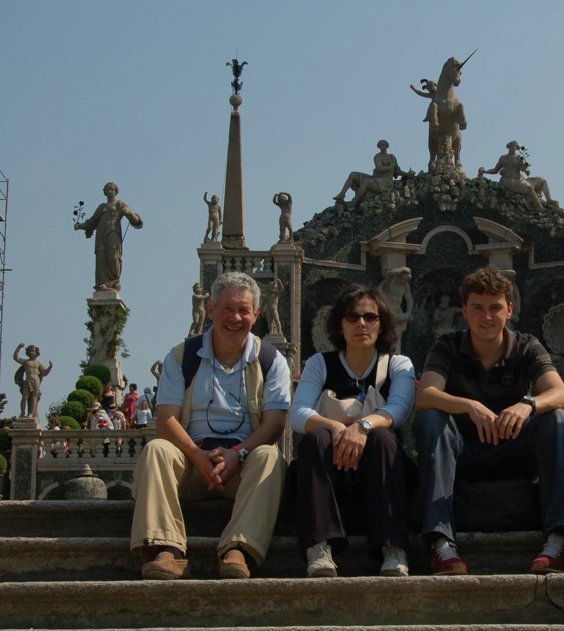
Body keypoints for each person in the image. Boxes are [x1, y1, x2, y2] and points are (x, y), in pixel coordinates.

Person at [415, 266, 564, 575]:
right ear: (465, 310)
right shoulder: (447, 345)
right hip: (463, 454)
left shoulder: (527, 345)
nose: (486, 317)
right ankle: (441, 545)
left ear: (509, 309)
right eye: (478, 308)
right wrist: (469, 405)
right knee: (432, 419)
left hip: (514, 451)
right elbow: (425, 395)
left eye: (495, 308)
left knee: (556, 419)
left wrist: (528, 404)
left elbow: (561, 394)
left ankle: (558, 541)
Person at [130, 271, 292, 580]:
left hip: (242, 466)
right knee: (157, 449)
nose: (235, 317)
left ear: (256, 314)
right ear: (210, 310)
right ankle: (168, 549)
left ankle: (239, 549)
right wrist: (196, 456)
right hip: (190, 465)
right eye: (227, 308)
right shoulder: (183, 356)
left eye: (244, 310)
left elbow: (274, 425)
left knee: (270, 457)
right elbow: (166, 420)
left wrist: (236, 455)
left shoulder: (271, 360)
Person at [290, 285, 415, 578]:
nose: (361, 324)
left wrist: (363, 426)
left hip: (381, 468)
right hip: (329, 469)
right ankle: (319, 547)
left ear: (382, 323)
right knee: (315, 437)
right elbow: (298, 414)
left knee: (385, 437)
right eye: (352, 317)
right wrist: (335, 427)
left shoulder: (398, 364)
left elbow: (399, 409)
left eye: (370, 316)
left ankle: (392, 546)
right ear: (340, 324)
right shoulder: (320, 364)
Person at [74, 181, 144, 292]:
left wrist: (129, 213)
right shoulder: (102, 207)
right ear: (104, 192)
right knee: (101, 257)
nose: (109, 191)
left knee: (113, 256)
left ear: (116, 191)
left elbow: (136, 221)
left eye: (111, 189)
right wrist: (80, 226)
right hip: (101, 234)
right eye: (107, 189)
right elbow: (92, 221)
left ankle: (114, 281)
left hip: (113, 232)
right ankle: (103, 282)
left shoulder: (120, 204)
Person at [478, 141, 556, 212]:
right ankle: (541, 209)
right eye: (514, 146)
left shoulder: (519, 157)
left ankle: (549, 199)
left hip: (521, 179)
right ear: (509, 147)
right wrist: (485, 171)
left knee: (542, 180)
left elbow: (527, 172)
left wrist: (525, 167)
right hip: (509, 181)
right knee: (529, 188)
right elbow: (495, 170)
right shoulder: (503, 158)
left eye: (516, 146)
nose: (515, 147)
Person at [333, 140, 407, 205]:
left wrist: (407, 174)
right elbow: (380, 168)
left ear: (387, 146)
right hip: (376, 178)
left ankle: (355, 201)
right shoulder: (377, 156)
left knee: (366, 182)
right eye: (381, 146)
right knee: (353, 174)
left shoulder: (391, 157)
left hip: (385, 182)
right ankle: (342, 193)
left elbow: (397, 171)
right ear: (379, 147)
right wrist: (391, 166)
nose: (382, 147)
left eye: (384, 145)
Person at [13, 343, 53, 418]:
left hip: (36, 381)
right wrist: (18, 348)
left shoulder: (39, 363)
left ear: (36, 352)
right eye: (30, 351)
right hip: (28, 380)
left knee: (34, 397)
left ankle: (31, 414)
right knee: (24, 397)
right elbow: (16, 358)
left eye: (33, 351)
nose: (32, 352)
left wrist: (50, 367)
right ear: (28, 352)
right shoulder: (26, 362)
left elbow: (44, 373)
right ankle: (22, 413)